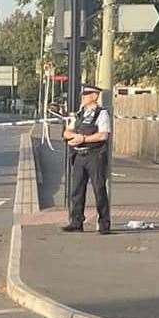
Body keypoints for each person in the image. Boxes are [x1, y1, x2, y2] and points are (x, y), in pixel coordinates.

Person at [62, 84, 111, 234]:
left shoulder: (102, 114)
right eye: (83, 94)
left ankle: (104, 224)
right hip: (79, 156)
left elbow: (103, 135)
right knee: (76, 191)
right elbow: (67, 132)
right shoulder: (79, 114)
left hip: (94, 155)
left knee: (99, 189)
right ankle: (76, 222)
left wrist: (83, 138)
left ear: (95, 96)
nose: (82, 97)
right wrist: (73, 137)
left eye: (86, 94)